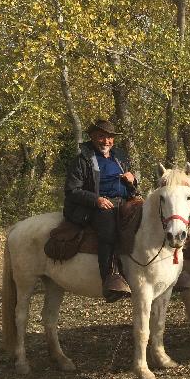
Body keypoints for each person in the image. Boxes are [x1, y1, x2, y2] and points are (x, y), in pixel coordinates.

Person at [63, 118, 139, 302]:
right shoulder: (83, 159)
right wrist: (96, 199)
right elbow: (72, 190)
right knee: (108, 230)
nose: (106, 141)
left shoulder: (119, 156)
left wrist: (132, 181)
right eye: (102, 136)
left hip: (123, 201)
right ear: (92, 137)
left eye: (110, 137)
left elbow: (132, 187)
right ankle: (110, 278)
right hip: (94, 206)